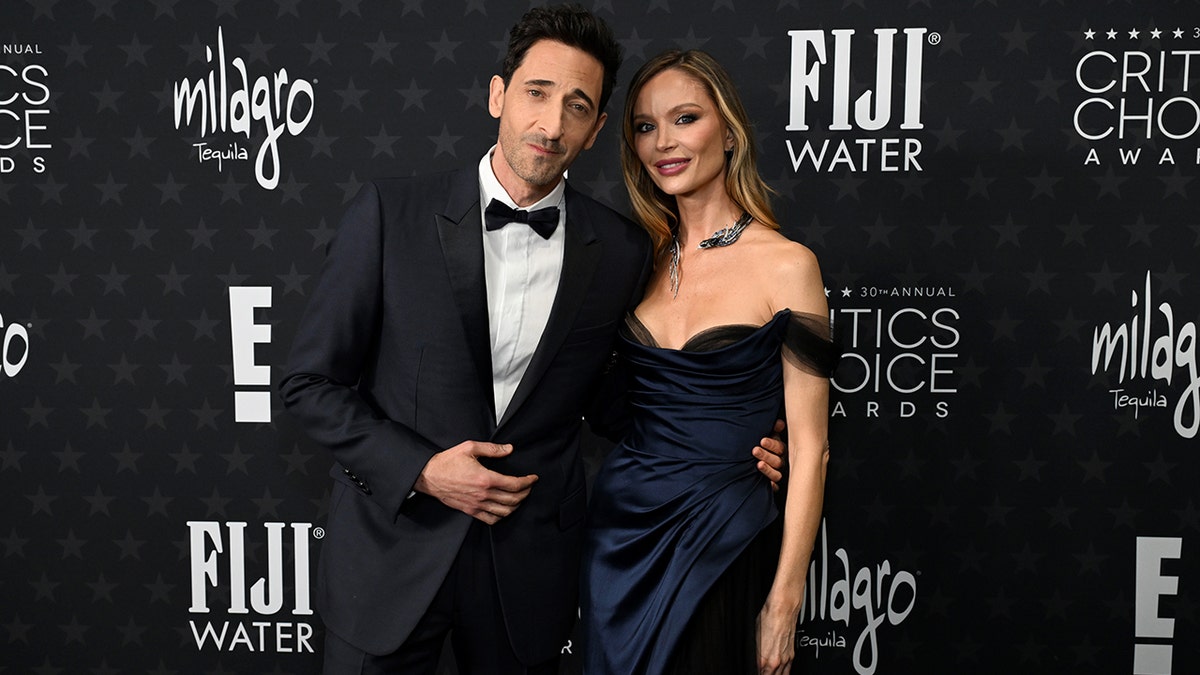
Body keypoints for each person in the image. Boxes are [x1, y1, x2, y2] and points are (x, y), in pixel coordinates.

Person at [279, 7, 786, 674]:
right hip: (389, 558)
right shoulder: (388, 213)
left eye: (577, 106)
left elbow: (614, 403)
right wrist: (423, 470)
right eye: (536, 92)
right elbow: (308, 385)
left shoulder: (621, 251)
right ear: (498, 94)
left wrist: (727, 444)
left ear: (597, 129)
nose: (551, 125)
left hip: (526, 575)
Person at [580, 50, 839, 675]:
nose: (663, 142)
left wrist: (784, 601)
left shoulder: (786, 265)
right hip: (620, 535)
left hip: (722, 536)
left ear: (727, 129)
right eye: (644, 126)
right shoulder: (632, 260)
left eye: (685, 118)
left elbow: (811, 449)